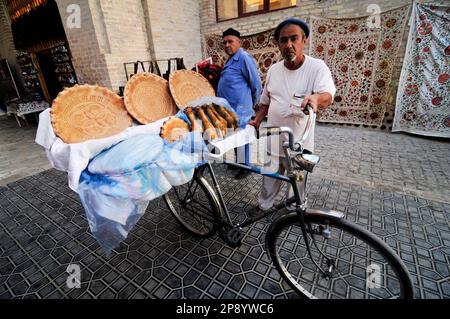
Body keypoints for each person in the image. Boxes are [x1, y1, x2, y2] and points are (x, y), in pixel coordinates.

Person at [249, 18, 336, 212]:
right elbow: (265, 102)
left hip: (299, 145)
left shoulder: (316, 67)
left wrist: (314, 99)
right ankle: (264, 206)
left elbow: (328, 95)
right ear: (278, 44)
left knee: (297, 182)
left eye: (294, 39)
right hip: (272, 139)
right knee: (269, 178)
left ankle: (294, 210)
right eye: (283, 40)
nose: (289, 45)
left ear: (304, 40)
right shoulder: (273, 70)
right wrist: (256, 121)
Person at [217, 28, 262, 180]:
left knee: (242, 138)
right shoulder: (230, 59)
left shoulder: (243, 58)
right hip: (229, 110)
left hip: (241, 110)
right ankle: (238, 162)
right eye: (224, 42)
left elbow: (256, 84)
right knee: (233, 136)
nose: (227, 45)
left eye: (230, 41)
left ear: (239, 42)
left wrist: (253, 105)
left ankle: (245, 166)